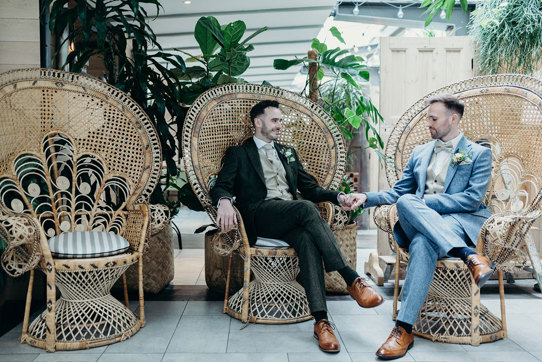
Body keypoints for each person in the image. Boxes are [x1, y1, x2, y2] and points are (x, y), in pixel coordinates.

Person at [210, 100, 382, 353]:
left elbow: (309, 189)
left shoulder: (288, 153)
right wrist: (224, 201)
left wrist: (338, 197)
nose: (281, 125)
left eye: (281, 120)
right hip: (259, 215)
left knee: (306, 238)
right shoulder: (240, 153)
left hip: (290, 216)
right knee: (305, 208)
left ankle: (321, 322)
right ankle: (350, 277)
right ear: (258, 123)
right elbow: (221, 184)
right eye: (275, 120)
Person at [351, 94, 494, 360]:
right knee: (406, 200)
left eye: (433, 118)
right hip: (418, 219)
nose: (428, 122)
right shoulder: (420, 152)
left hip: (457, 222)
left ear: (454, 119)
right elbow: (399, 194)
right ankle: (468, 255)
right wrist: (367, 198)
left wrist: (424, 202)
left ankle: (403, 330)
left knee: (422, 243)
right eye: (428, 117)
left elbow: (472, 199)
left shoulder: (478, 154)